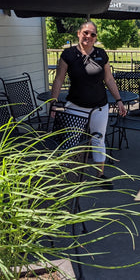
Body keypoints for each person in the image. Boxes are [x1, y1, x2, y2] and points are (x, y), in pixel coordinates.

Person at [51, 21, 127, 189]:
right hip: (76, 106)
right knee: (71, 142)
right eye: (85, 32)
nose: (88, 37)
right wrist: (53, 103)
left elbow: (109, 79)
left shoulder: (101, 53)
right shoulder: (68, 54)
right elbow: (58, 79)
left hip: (99, 106)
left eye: (92, 34)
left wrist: (119, 100)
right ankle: (69, 176)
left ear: (96, 37)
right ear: (78, 33)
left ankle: (100, 175)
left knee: (98, 139)